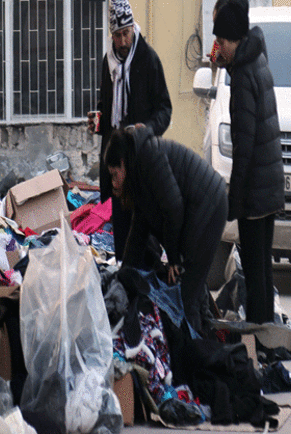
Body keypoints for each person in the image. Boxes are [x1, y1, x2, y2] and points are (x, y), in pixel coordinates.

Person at [103, 125, 227, 336]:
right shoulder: (138, 172)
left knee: (187, 297)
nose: (114, 184)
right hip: (198, 212)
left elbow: (173, 208)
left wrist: (173, 260)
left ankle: (195, 357)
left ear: (123, 163)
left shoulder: (148, 156)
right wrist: (124, 274)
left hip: (209, 208)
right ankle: (204, 341)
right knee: (190, 292)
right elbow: (139, 229)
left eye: (115, 175)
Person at [213, 0, 285, 325]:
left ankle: (259, 337)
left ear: (234, 40)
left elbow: (244, 146)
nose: (220, 49)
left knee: (255, 274)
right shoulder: (257, 57)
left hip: (255, 188)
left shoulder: (242, 77)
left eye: (223, 43)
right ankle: (268, 337)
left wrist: (234, 199)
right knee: (263, 269)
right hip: (269, 183)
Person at [87, 0, 172, 261]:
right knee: (122, 234)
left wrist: (147, 129)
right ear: (111, 35)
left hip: (141, 159)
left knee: (145, 236)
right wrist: (96, 121)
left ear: (133, 30)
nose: (122, 41)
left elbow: (164, 109)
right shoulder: (108, 63)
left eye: (126, 33)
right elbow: (107, 110)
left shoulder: (148, 60)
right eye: (117, 35)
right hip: (116, 164)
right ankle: (125, 288)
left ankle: (145, 290)